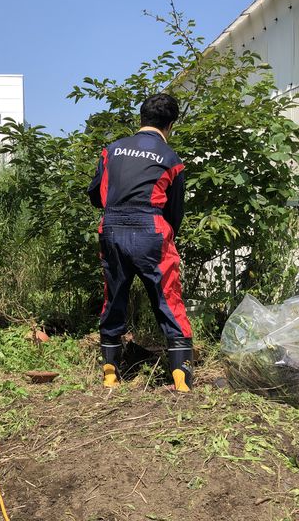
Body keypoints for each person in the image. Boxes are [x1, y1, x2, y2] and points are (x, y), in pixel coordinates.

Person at [87, 93, 193, 392]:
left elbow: (95, 194)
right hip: (152, 230)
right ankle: (181, 379)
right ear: (171, 125)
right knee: (168, 299)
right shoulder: (171, 158)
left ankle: (110, 374)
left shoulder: (111, 151)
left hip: (112, 228)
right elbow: (175, 212)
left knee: (114, 298)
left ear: (141, 118)